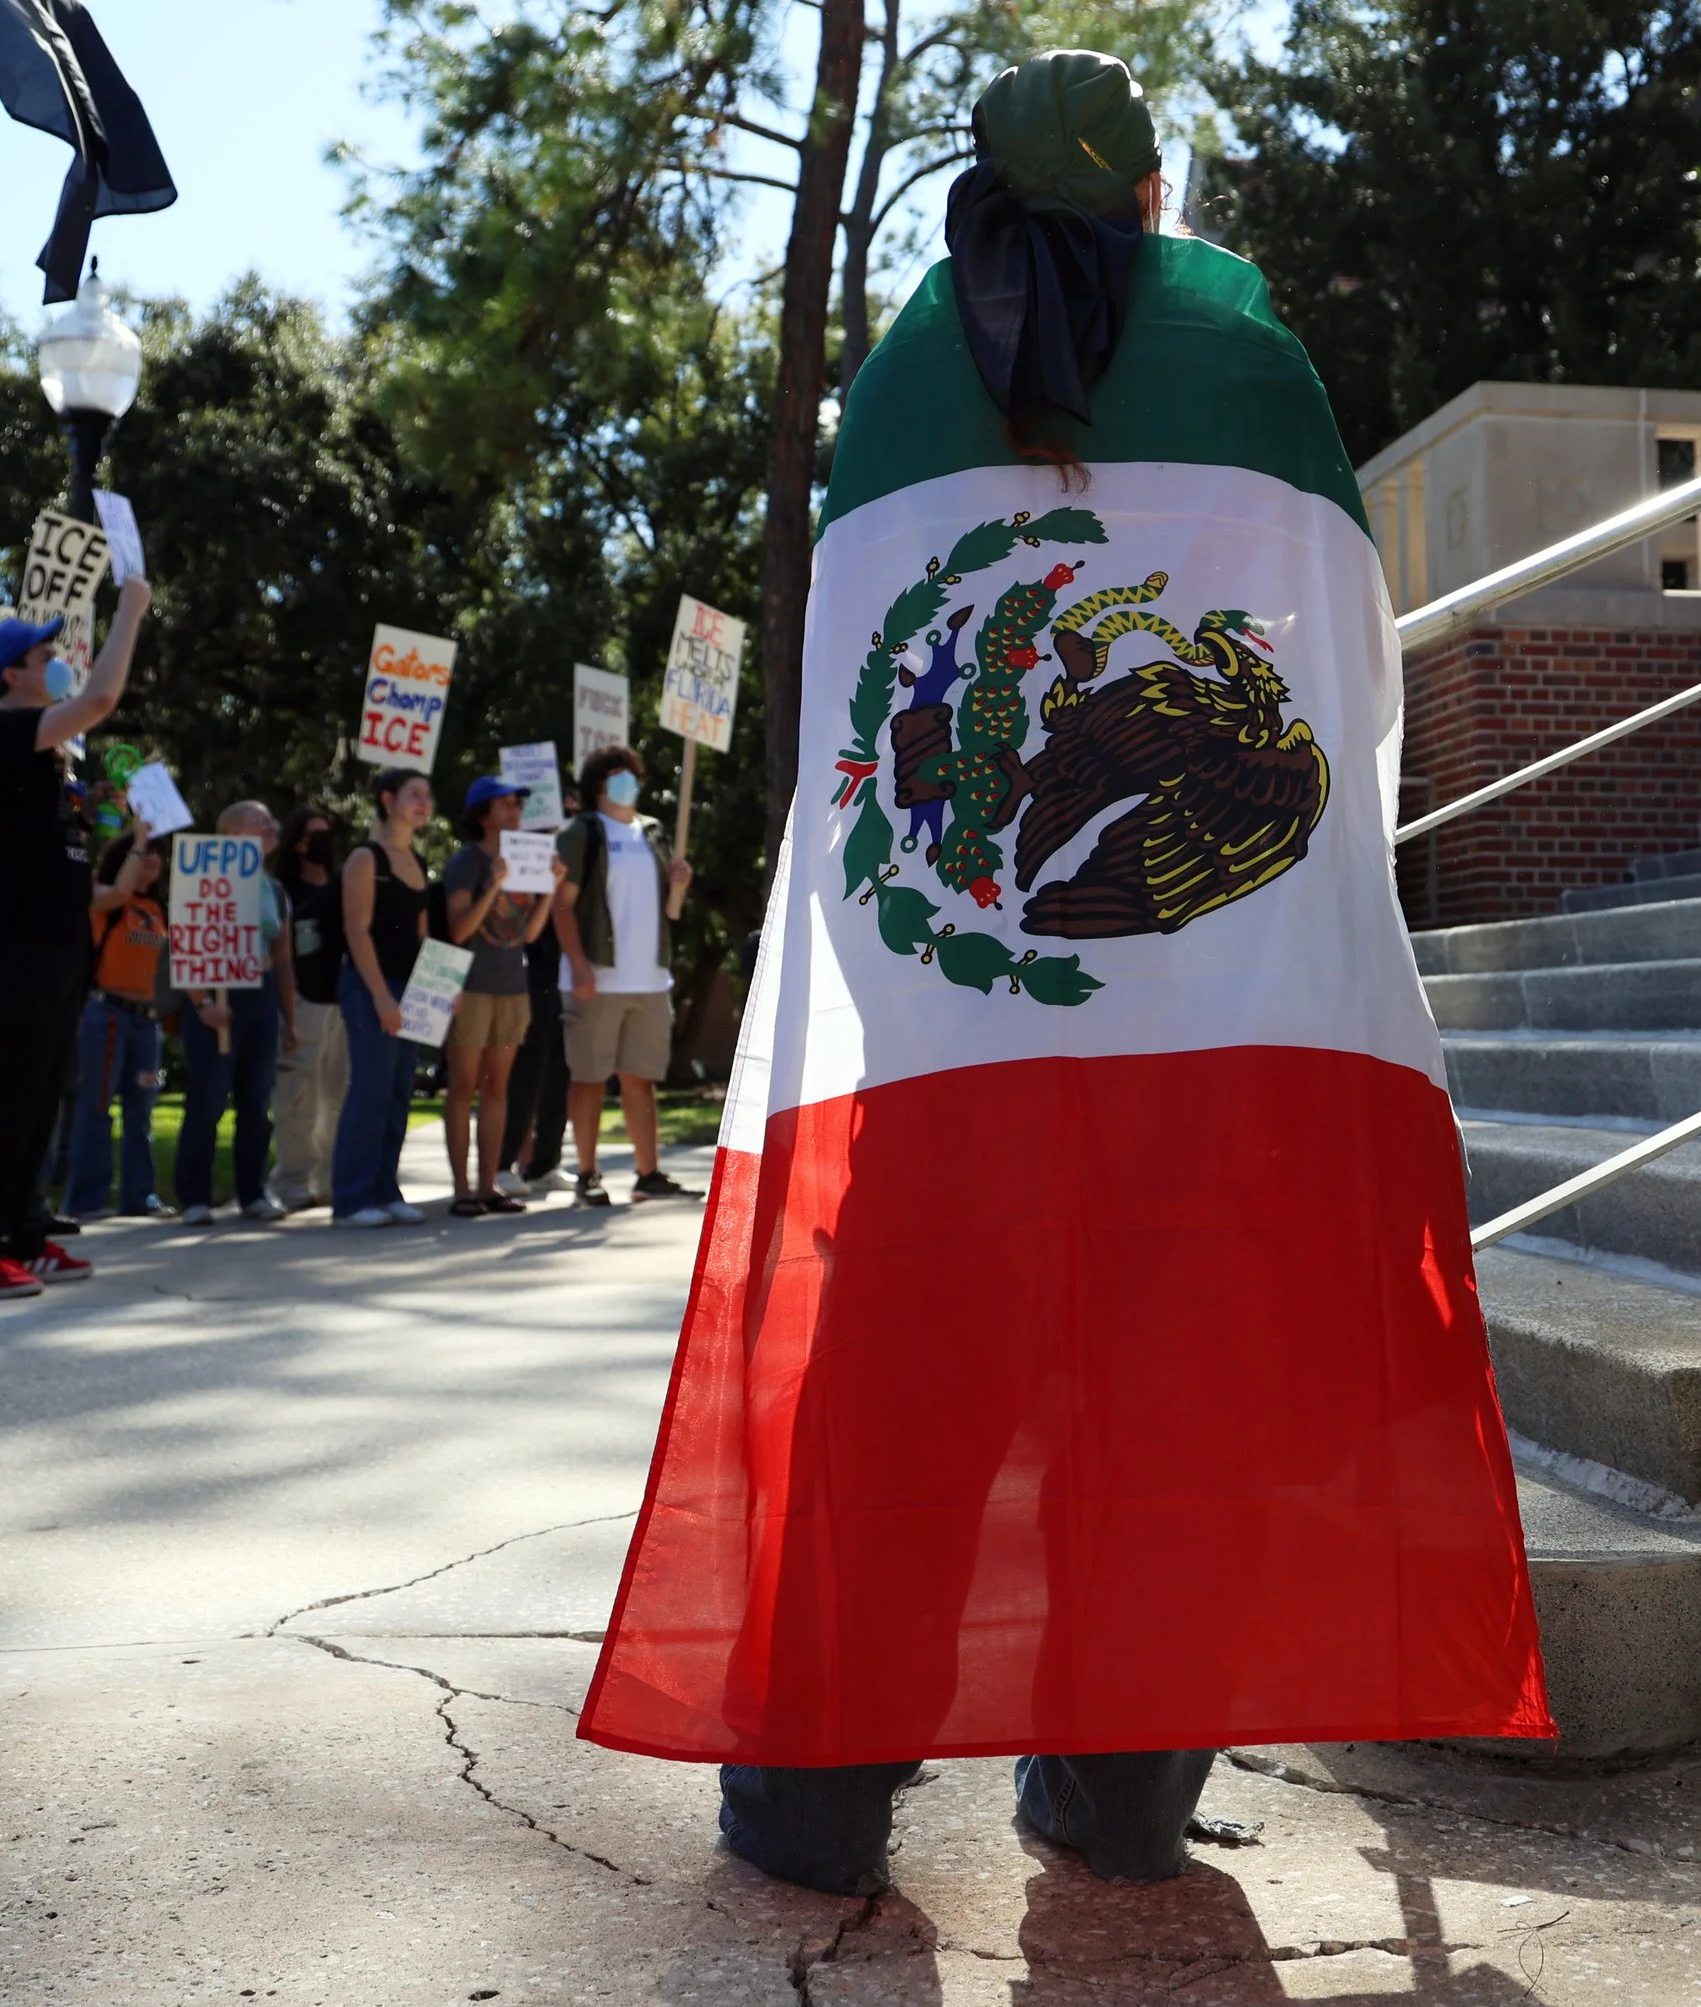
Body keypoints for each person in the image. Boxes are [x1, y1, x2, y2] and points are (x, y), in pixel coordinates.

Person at [577, 51, 1551, 1892]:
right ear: (1148, 196)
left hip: (949, 1017)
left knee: (907, 1393)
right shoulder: (1256, 368)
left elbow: (851, 711)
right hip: (1219, 1018)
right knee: (1176, 1399)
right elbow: (1346, 681)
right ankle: (1117, 1802)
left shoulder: (894, 383)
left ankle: (813, 1805)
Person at [0, 581, 154, 1300]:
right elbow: (99, 700)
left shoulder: (49, 755)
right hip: (15, 944)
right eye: (47, 653)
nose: (61, 659)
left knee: (39, 1098)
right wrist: (129, 612)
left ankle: (23, 1237)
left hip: (57, 943)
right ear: (14, 672)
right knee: (4, 1096)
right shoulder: (5, 730)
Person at [550, 745, 698, 1208]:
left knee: (641, 1080)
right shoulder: (581, 833)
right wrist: (578, 966)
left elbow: (670, 914)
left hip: (650, 980)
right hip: (597, 976)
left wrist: (679, 888)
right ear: (597, 785)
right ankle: (588, 1174)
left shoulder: (653, 833)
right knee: (589, 1078)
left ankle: (647, 1172)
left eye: (631, 774)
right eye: (617, 775)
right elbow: (562, 904)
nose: (627, 782)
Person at [440, 776, 562, 1215]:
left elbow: (527, 933)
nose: (515, 810)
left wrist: (547, 891)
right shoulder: (465, 863)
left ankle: (488, 1184)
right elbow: (458, 930)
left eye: (517, 804)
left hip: (513, 988)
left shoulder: (525, 860)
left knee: (498, 1088)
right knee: (463, 1087)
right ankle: (461, 1189)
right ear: (482, 814)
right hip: (470, 988)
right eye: (506, 803)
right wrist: (493, 885)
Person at [173, 801, 297, 1226]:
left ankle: (253, 1193)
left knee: (255, 1102)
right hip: (215, 999)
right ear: (231, 835)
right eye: (258, 820)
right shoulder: (206, 881)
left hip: (259, 997)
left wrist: (289, 1017)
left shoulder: (274, 890)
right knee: (207, 1102)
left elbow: (283, 959)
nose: (270, 825)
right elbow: (185, 941)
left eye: (269, 818)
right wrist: (202, 1001)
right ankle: (194, 1197)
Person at [331, 768, 432, 1228]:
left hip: (412, 991)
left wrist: (434, 995)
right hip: (372, 986)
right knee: (369, 1091)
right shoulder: (365, 858)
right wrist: (380, 997)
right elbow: (357, 930)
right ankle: (352, 1200)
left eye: (427, 796)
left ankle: (385, 1190)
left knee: (397, 1095)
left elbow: (422, 935)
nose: (424, 803)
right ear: (388, 799)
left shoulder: (418, 859)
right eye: (414, 794)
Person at [66, 826, 171, 1218]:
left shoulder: (157, 911)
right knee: (96, 1107)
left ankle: (139, 1196)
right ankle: (87, 1200)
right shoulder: (103, 901)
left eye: (157, 852)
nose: (153, 860)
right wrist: (137, 839)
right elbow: (120, 892)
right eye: (144, 852)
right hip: (107, 1013)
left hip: (146, 1022)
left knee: (140, 1111)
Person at [268, 804, 348, 1212]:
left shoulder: (342, 887)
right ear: (298, 844)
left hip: (343, 1006)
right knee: (297, 1097)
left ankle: (332, 1180)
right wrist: (289, 1007)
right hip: (301, 1003)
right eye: (314, 835)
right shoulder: (280, 891)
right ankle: (293, 1181)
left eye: (327, 834)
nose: (322, 843)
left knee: (337, 1098)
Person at [500, 787, 577, 1194]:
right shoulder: (515, 856)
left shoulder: (572, 853)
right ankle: (506, 1160)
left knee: (560, 1069)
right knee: (526, 1069)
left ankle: (546, 1161)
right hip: (529, 970)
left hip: (565, 972)